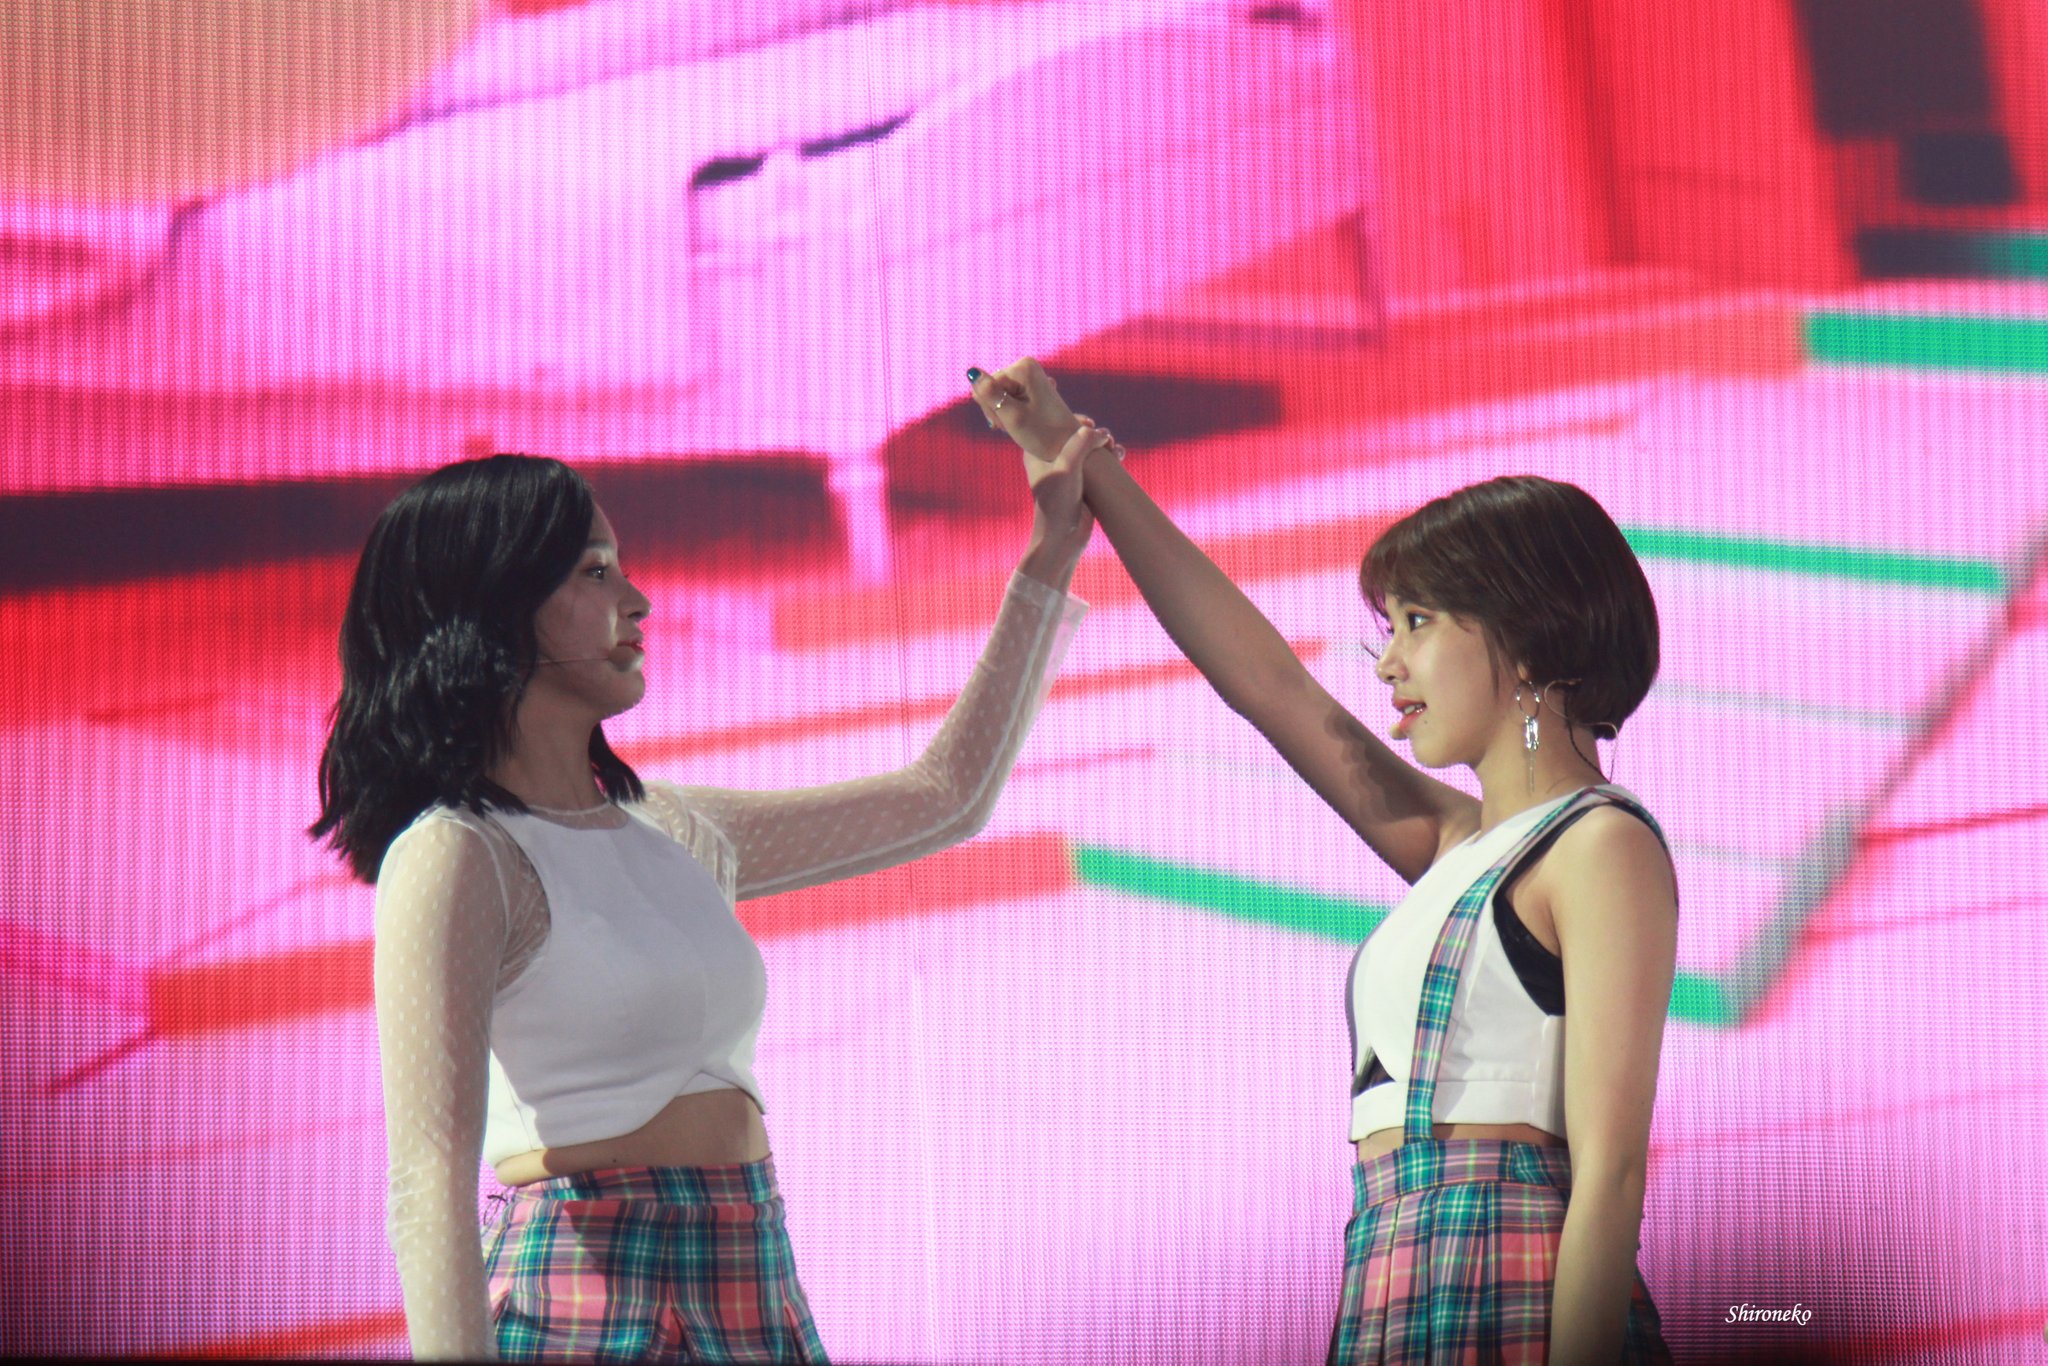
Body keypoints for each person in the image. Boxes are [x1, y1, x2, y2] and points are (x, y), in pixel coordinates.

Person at [310, 438, 1107, 1361]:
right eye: (595, 572)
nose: (637, 600)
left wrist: (1052, 549)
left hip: (750, 1267)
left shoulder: (677, 830)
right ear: (492, 609)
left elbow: (946, 799)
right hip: (584, 1288)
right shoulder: (457, 852)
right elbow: (427, 1182)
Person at [972, 360, 1676, 1364]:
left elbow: (1609, 1174)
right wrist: (1088, 467)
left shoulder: (1597, 844)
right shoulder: (1455, 846)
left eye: (1418, 623)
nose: (1387, 663)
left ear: (1524, 635)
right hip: (1392, 1271)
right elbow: (1269, 685)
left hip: (1507, 1273)